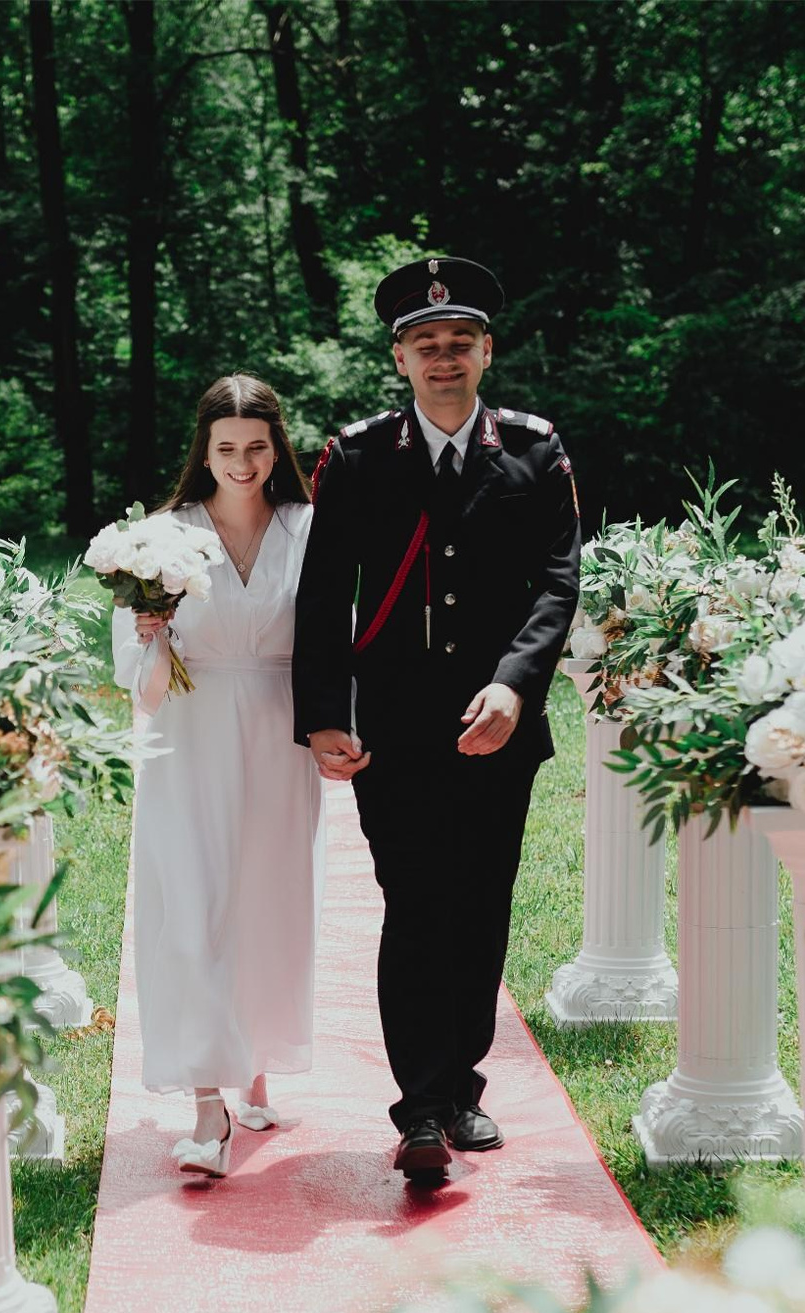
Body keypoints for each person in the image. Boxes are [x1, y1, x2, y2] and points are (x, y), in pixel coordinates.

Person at [291, 257, 580, 1182]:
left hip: (499, 724)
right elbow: (324, 591)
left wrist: (515, 683)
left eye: (460, 343)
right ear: (400, 358)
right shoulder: (359, 455)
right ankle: (419, 1107)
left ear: (486, 351)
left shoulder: (534, 449)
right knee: (416, 903)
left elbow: (556, 580)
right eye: (426, 346)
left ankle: (463, 1089)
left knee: (480, 904)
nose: (444, 358)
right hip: (399, 732)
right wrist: (323, 714)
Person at [120, 375, 323, 1178]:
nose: (242, 463)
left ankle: (258, 1060)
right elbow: (141, 687)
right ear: (203, 451)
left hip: (280, 736)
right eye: (227, 448)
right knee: (195, 905)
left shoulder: (310, 528)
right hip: (189, 739)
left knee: (268, 902)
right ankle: (209, 1103)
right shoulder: (164, 535)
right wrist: (153, 632)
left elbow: (336, 641)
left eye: (257, 447)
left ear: (278, 449)